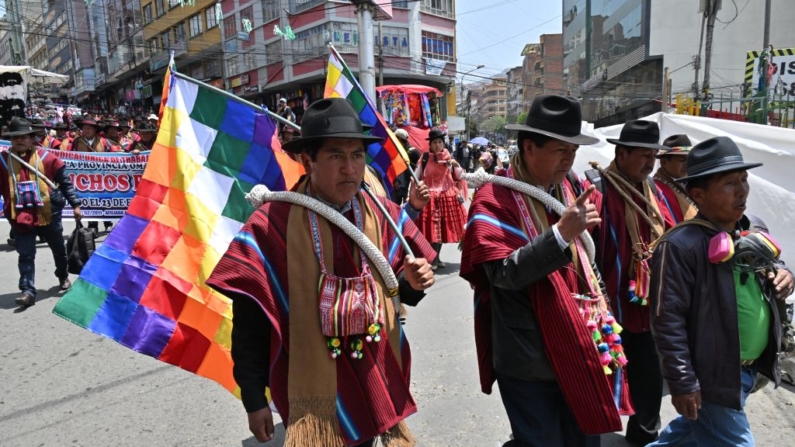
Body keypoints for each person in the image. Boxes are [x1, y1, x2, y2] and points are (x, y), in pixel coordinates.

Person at [205, 98, 437, 447]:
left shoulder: (380, 212)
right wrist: (254, 399)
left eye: (357, 155)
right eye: (335, 156)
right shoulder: (272, 225)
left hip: (371, 370)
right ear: (307, 160)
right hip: (309, 388)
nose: (350, 168)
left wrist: (414, 283)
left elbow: (397, 291)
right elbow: (250, 321)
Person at [461, 94, 633, 447]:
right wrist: (559, 235)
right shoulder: (493, 198)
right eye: (559, 150)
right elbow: (503, 273)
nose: (569, 160)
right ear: (528, 147)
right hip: (530, 356)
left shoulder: (569, 188)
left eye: (572, 151)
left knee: (584, 439)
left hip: (582, 343)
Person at [647, 136, 794, 446]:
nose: (742, 190)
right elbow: (667, 319)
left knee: (684, 438)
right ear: (698, 194)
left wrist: (784, 273)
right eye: (729, 183)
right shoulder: (679, 246)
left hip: (747, 372)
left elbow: (775, 264)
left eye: (743, 179)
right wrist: (683, 381)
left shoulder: (754, 229)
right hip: (712, 375)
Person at [594, 120, 675, 445]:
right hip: (608, 307)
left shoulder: (655, 192)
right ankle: (588, 432)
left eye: (653, 157)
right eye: (643, 156)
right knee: (598, 373)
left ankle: (644, 436)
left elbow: (671, 230)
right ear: (621, 153)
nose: (649, 163)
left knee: (649, 379)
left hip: (646, 306)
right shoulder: (600, 188)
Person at [0, 117, 82, 307]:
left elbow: (66, 183)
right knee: (25, 254)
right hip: (19, 216)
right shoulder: (3, 161)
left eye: (23, 137)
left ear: (31, 137)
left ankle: (62, 275)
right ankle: (28, 291)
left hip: (49, 214)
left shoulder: (48, 158)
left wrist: (76, 205)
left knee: (58, 249)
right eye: (15, 138)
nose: (19, 140)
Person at [415, 128, 467, 270]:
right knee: (431, 230)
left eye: (440, 142)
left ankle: (437, 258)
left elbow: (459, 176)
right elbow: (416, 175)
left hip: (446, 196)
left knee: (443, 228)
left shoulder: (449, 158)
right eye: (435, 142)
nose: (438, 145)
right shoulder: (424, 158)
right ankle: (431, 258)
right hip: (429, 198)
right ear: (430, 145)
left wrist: (457, 166)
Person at [653, 134, 697, 224]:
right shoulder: (656, 190)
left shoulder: (692, 185)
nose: (687, 164)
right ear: (664, 162)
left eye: (689, 159)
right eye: (682, 160)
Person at [391, 128, 420, 205]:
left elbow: (420, 167)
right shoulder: (398, 150)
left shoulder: (413, 152)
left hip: (409, 186)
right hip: (398, 186)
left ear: (399, 139)